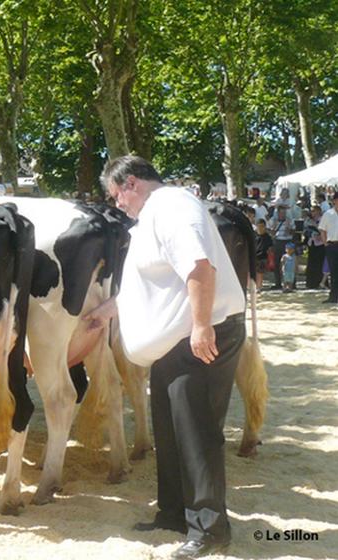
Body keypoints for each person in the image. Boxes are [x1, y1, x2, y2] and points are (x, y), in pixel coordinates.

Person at [102, 156, 245, 559]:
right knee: (169, 430)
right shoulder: (153, 215)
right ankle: (173, 513)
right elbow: (150, 284)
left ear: (131, 183)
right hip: (175, 342)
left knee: (197, 433)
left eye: (117, 197)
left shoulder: (172, 206)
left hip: (203, 335)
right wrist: (105, 312)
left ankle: (210, 529)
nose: (119, 206)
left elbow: (199, 267)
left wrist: (202, 326)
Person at [267, 206, 294, 290]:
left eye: (284, 213)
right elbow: (268, 231)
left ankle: (290, 283)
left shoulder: (289, 220)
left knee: (289, 264)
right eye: (281, 213)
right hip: (277, 242)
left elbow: (294, 231)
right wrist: (273, 229)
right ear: (278, 213)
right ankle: (278, 283)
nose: (283, 214)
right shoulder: (273, 220)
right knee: (277, 263)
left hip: (287, 242)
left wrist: (289, 229)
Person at [318, 192, 338, 304]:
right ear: (334, 201)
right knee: (334, 272)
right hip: (332, 245)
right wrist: (326, 243)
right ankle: (333, 296)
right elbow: (322, 229)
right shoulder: (328, 214)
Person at [304, 206, 326, 290]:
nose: (312, 213)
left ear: (318, 211)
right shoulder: (309, 220)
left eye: (314, 211)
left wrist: (316, 227)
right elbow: (305, 231)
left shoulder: (322, 219)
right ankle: (311, 283)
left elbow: (324, 230)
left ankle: (320, 282)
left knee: (319, 263)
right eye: (311, 211)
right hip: (312, 243)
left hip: (320, 244)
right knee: (311, 263)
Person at [254, 219, 273, 292]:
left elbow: (270, 247)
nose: (260, 228)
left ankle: (259, 287)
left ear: (265, 226)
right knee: (253, 272)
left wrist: (270, 257)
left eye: (262, 226)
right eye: (259, 226)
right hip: (254, 256)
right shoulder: (254, 235)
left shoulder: (267, 237)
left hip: (263, 256)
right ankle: (253, 286)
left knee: (260, 273)